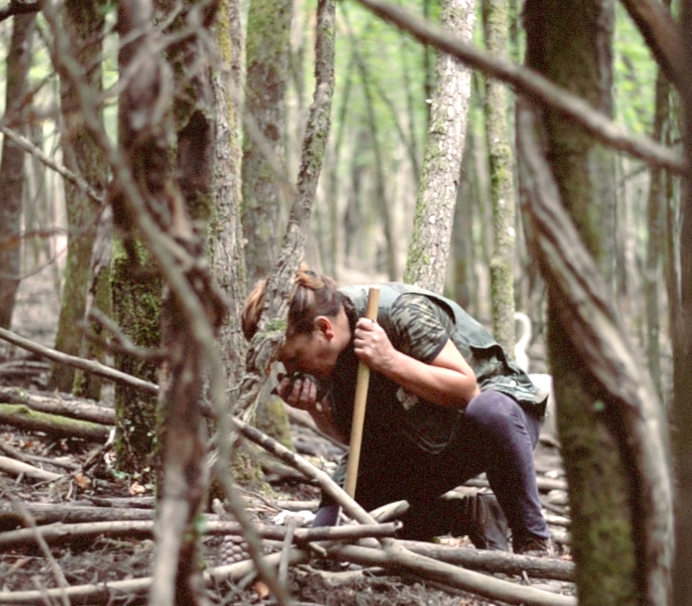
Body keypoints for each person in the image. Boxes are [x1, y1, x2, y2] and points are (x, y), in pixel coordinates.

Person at [242, 267, 552, 556]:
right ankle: (470, 514)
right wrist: (313, 409)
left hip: (489, 422)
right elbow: (353, 438)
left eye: (294, 357)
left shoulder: (398, 312)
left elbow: (467, 391)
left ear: (324, 329)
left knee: (489, 410)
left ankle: (532, 543)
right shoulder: (327, 356)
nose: (291, 369)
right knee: (332, 530)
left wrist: (389, 360)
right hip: (418, 440)